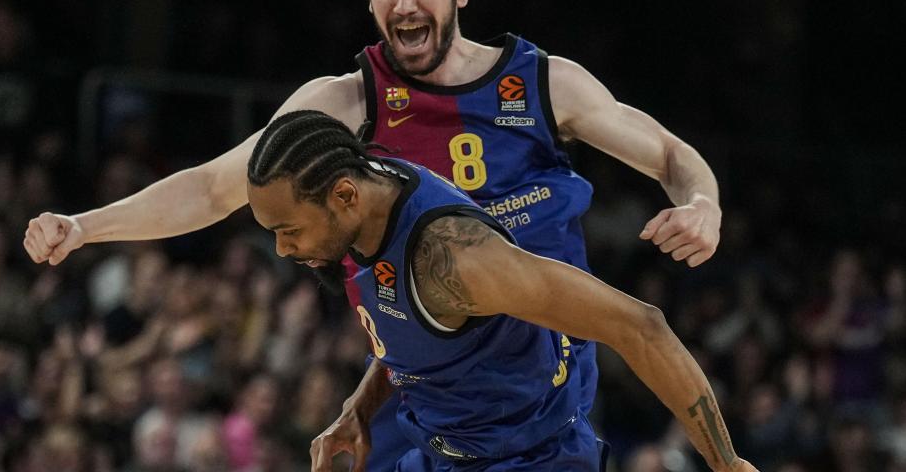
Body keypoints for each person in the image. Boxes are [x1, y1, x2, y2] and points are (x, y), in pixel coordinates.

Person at [24, 0, 722, 468]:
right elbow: (211, 188)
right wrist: (85, 226)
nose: (405, 3)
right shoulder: (345, 103)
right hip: (424, 377)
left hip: (539, 388)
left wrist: (701, 204)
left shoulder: (542, 83)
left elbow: (668, 154)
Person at [245, 110, 753, 471]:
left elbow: (641, 327)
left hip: (529, 459)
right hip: (443, 450)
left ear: (344, 196)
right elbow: (407, 325)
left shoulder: (460, 260)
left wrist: (726, 463)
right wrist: (359, 407)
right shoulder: (362, 189)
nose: (283, 249)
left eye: (289, 231)